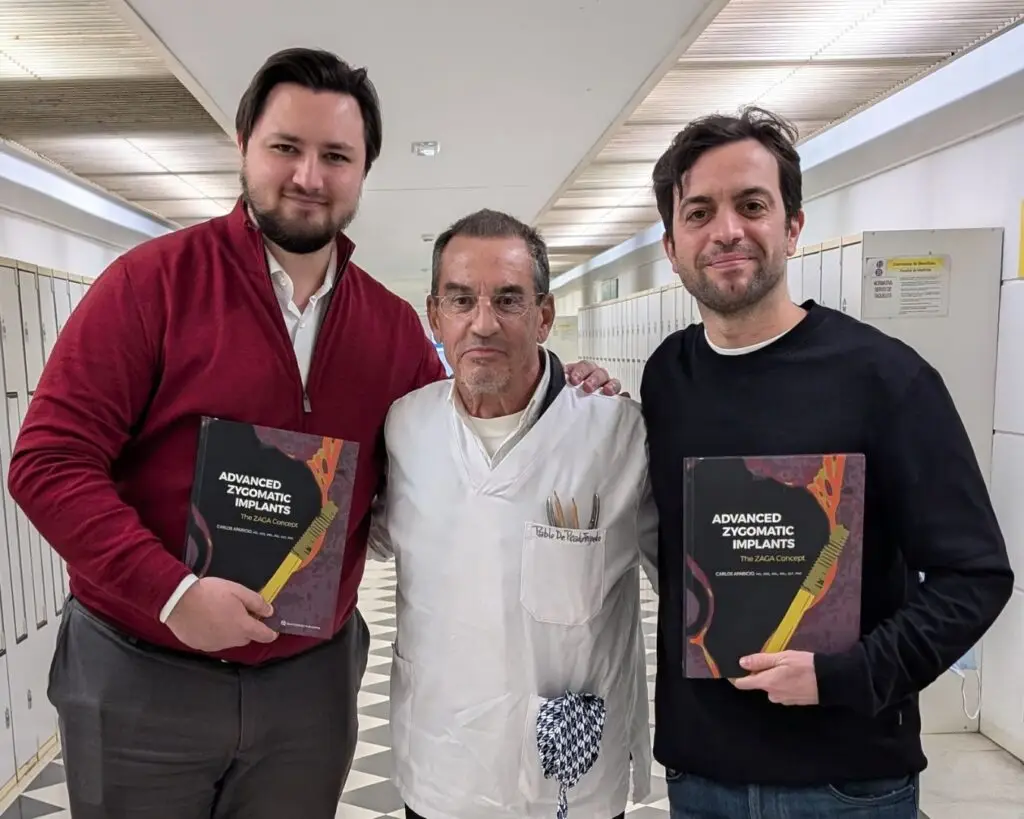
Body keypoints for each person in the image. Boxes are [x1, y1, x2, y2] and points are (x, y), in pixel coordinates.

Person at [6, 48, 618, 819]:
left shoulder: (389, 327)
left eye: (336, 155)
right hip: (144, 670)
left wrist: (562, 386)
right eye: (286, 147)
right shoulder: (150, 284)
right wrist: (172, 594)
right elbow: (48, 462)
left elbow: (453, 444)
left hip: (306, 687)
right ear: (243, 146)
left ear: (363, 171)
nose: (308, 176)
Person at [640, 105, 1014, 819]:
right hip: (699, 775)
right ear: (672, 245)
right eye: (700, 212)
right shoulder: (668, 377)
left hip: (847, 783)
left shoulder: (885, 378)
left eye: (752, 205)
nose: (727, 230)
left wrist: (847, 673)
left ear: (793, 226)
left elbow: (976, 576)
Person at [367, 208, 658, 819]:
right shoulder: (404, 425)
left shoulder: (616, 431)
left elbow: (692, 582)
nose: (483, 323)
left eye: (508, 300)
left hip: (571, 767)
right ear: (434, 315)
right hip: (441, 759)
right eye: (461, 300)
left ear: (543, 315)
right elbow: (359, 538)